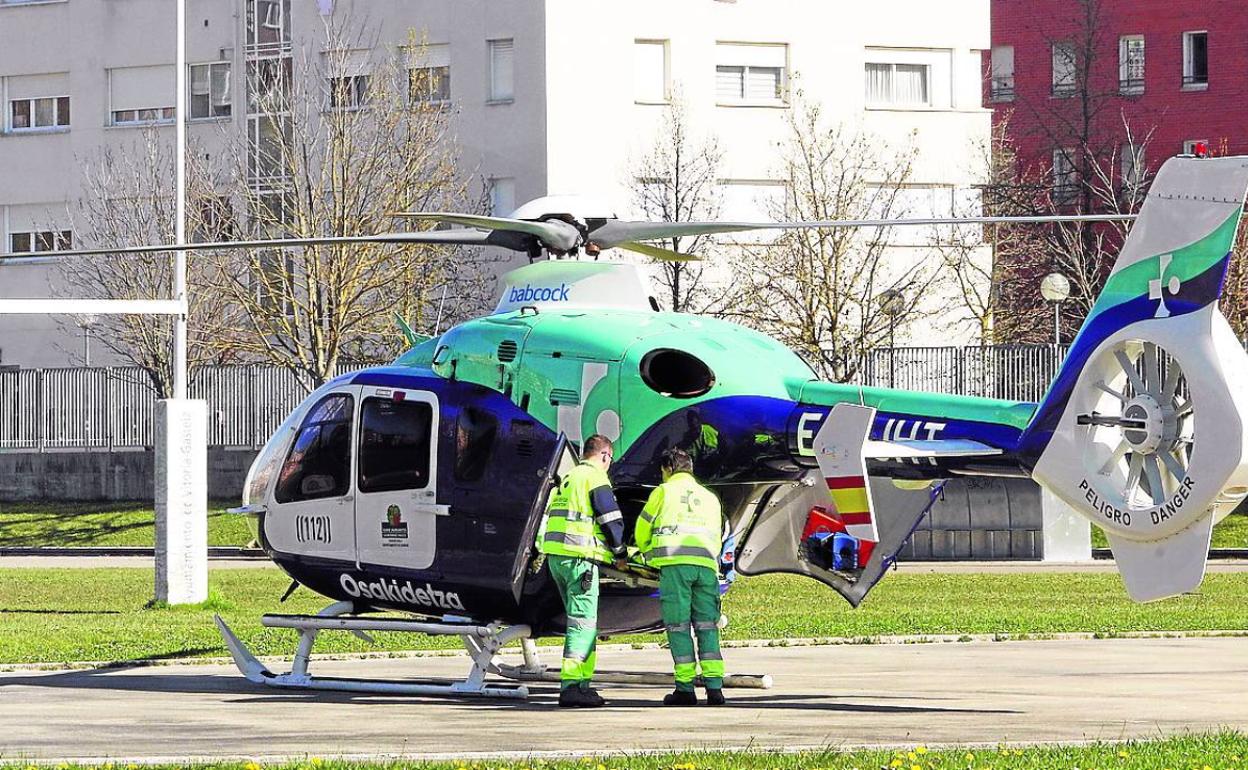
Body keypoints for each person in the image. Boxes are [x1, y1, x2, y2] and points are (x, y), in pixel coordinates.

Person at [537, 433, 627, 708]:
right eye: (609, 459)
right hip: (580, 560)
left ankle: (581, 684)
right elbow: (610, 518)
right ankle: (573, 686)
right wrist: (620, 552)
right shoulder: (595, 478)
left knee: (579, 623)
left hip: (557, 558)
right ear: (603, 455)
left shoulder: (568, 477)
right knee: (583, 624)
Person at [634, 447, 727, 706]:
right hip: (706, 566)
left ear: (668, 469)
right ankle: (715, 688)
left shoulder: (663, 492)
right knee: (708, 625)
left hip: (675, 565)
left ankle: (685, 688)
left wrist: (646, 554)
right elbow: (718, 534)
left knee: (679, 626)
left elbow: (643, 528)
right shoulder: (710, 497)